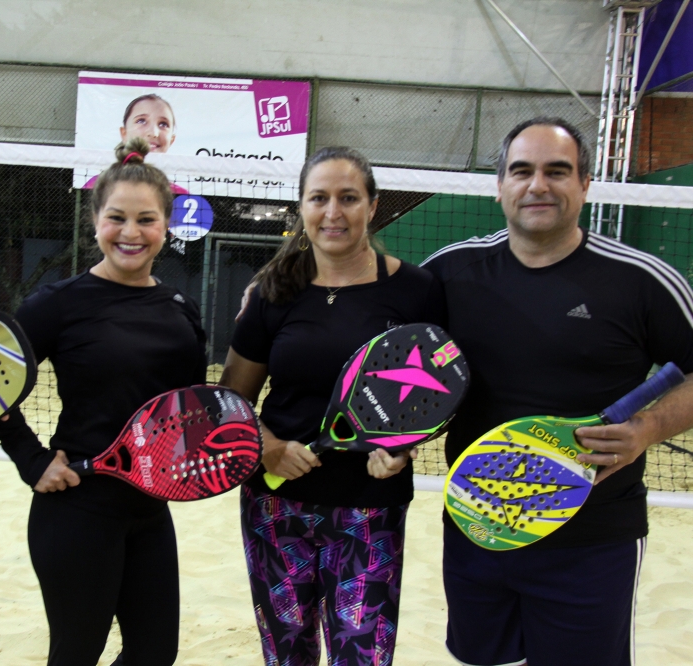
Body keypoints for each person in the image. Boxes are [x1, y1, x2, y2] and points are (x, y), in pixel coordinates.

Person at [421, 117, 693, 666]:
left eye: (557, 171)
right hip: (477, 526)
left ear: (585, 184)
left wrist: (647, 429)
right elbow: (377, 337)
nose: (537, 185)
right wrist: (276, 289)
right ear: (500, 185)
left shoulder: (640, 280)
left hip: (593, 541)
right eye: (522, 171)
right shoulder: (448, 272)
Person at [220, 147, 445, 665]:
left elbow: (435, 396)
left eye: (349, 198)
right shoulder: (273, 290)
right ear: (301, 207)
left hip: (371, 506)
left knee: (363, 656)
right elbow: (233, 399)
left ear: (373, 205)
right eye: (319, 198)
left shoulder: (417, 291)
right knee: (287, 655)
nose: (333, 212)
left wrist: (403, 448)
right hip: (276, 505)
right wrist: (267, 446)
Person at [0, 136, 207, 665]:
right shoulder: (57, 305)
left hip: (150, 510)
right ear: (95, 221)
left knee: (154, 654)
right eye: (117, 218)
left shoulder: (181, 308)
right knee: (77, 654)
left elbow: (190, 409)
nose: (131, 232)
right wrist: (31, 460)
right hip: (78, 506)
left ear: (166, 225)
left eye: (146, 220)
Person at [83, 94, 189, 194]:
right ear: (124, 133)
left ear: (172, 139)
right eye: (141, 121)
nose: (153, 133)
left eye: (163, 124)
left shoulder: (181, 195)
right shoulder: (97, 185)